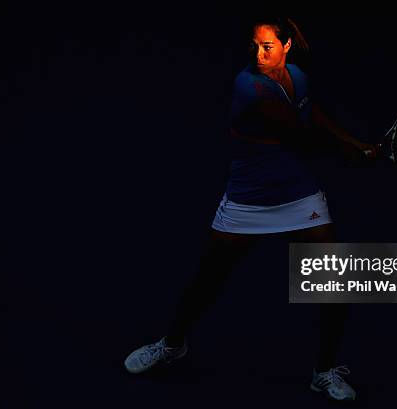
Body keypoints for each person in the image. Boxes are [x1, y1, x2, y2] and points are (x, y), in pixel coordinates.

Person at [124, 16, 376, 403]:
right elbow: (300, 133)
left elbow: (315, 116)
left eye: (268, 46)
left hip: (299, 193)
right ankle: (172, 344)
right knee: (209, 280)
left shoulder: (298, 78)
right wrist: (353, 155)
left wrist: (357, 144)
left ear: (287, 45)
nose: (259, 54)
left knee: (332, 283)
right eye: (255, 46)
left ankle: (323, 373)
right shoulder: (249, 86)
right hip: (248, 199)